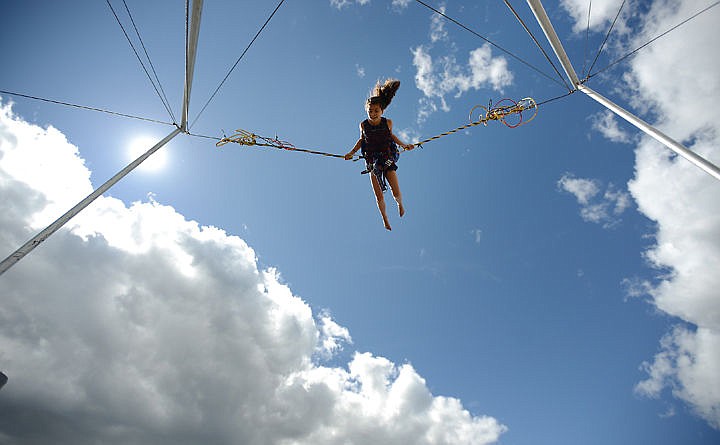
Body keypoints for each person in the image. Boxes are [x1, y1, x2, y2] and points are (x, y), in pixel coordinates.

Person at [345, 79, 414, 230]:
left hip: (387, 156)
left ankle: (400, 204)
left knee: (395, 190)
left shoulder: (387, 122)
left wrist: (404, 145)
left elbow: (392, 137)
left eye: (376, 111)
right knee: (379, 195)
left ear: (382, 111)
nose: (373, 113)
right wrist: (351, 153)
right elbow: (361, 141)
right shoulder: (363, 125)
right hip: (372, 160)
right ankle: (385, 218)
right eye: (370, 111)